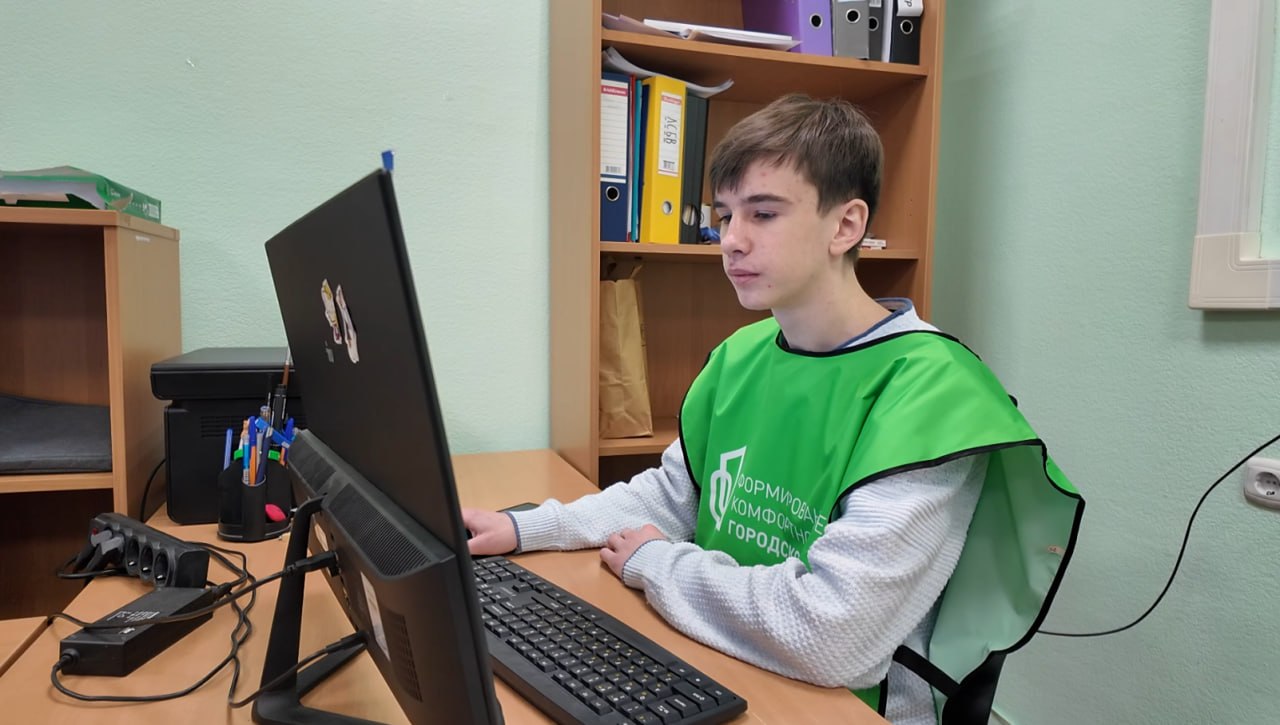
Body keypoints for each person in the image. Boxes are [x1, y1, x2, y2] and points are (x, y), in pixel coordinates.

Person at [464, 94, 1083, 725]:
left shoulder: (933, 393)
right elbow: (673, 498)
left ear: (845, 226)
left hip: (844, 706)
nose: (731, 241)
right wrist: (526, 528)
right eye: (725, 215)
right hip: (726, 658)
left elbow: (833, 635)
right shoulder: (743, 355)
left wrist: (657, 563)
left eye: (763, 213)